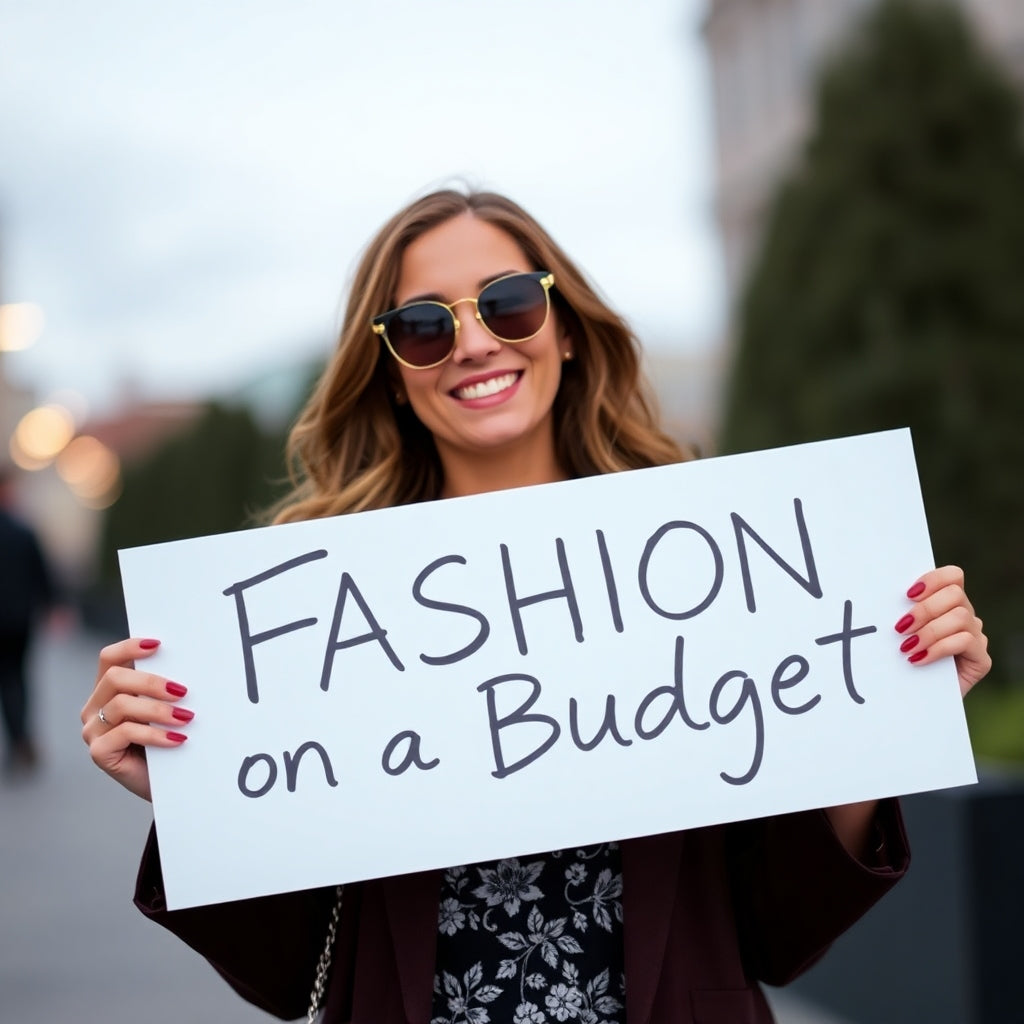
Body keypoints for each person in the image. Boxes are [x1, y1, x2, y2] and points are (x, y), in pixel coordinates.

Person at [81, 188, 991, 1024]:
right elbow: (284, 973)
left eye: (509, 301)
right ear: (394, 370)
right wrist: (189, 797)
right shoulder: (315, 611)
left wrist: (881, 714)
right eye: (426, 326)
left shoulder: (705, 562)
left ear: (563, 328)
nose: (475, 343)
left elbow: (782, 935)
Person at [0, 465, 57, 776]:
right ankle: (21, 739)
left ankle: (17, 741)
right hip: (20, 620)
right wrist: (54, 606)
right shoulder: (24, 531)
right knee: (18, 678)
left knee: (7, 680)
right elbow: (43, 574)